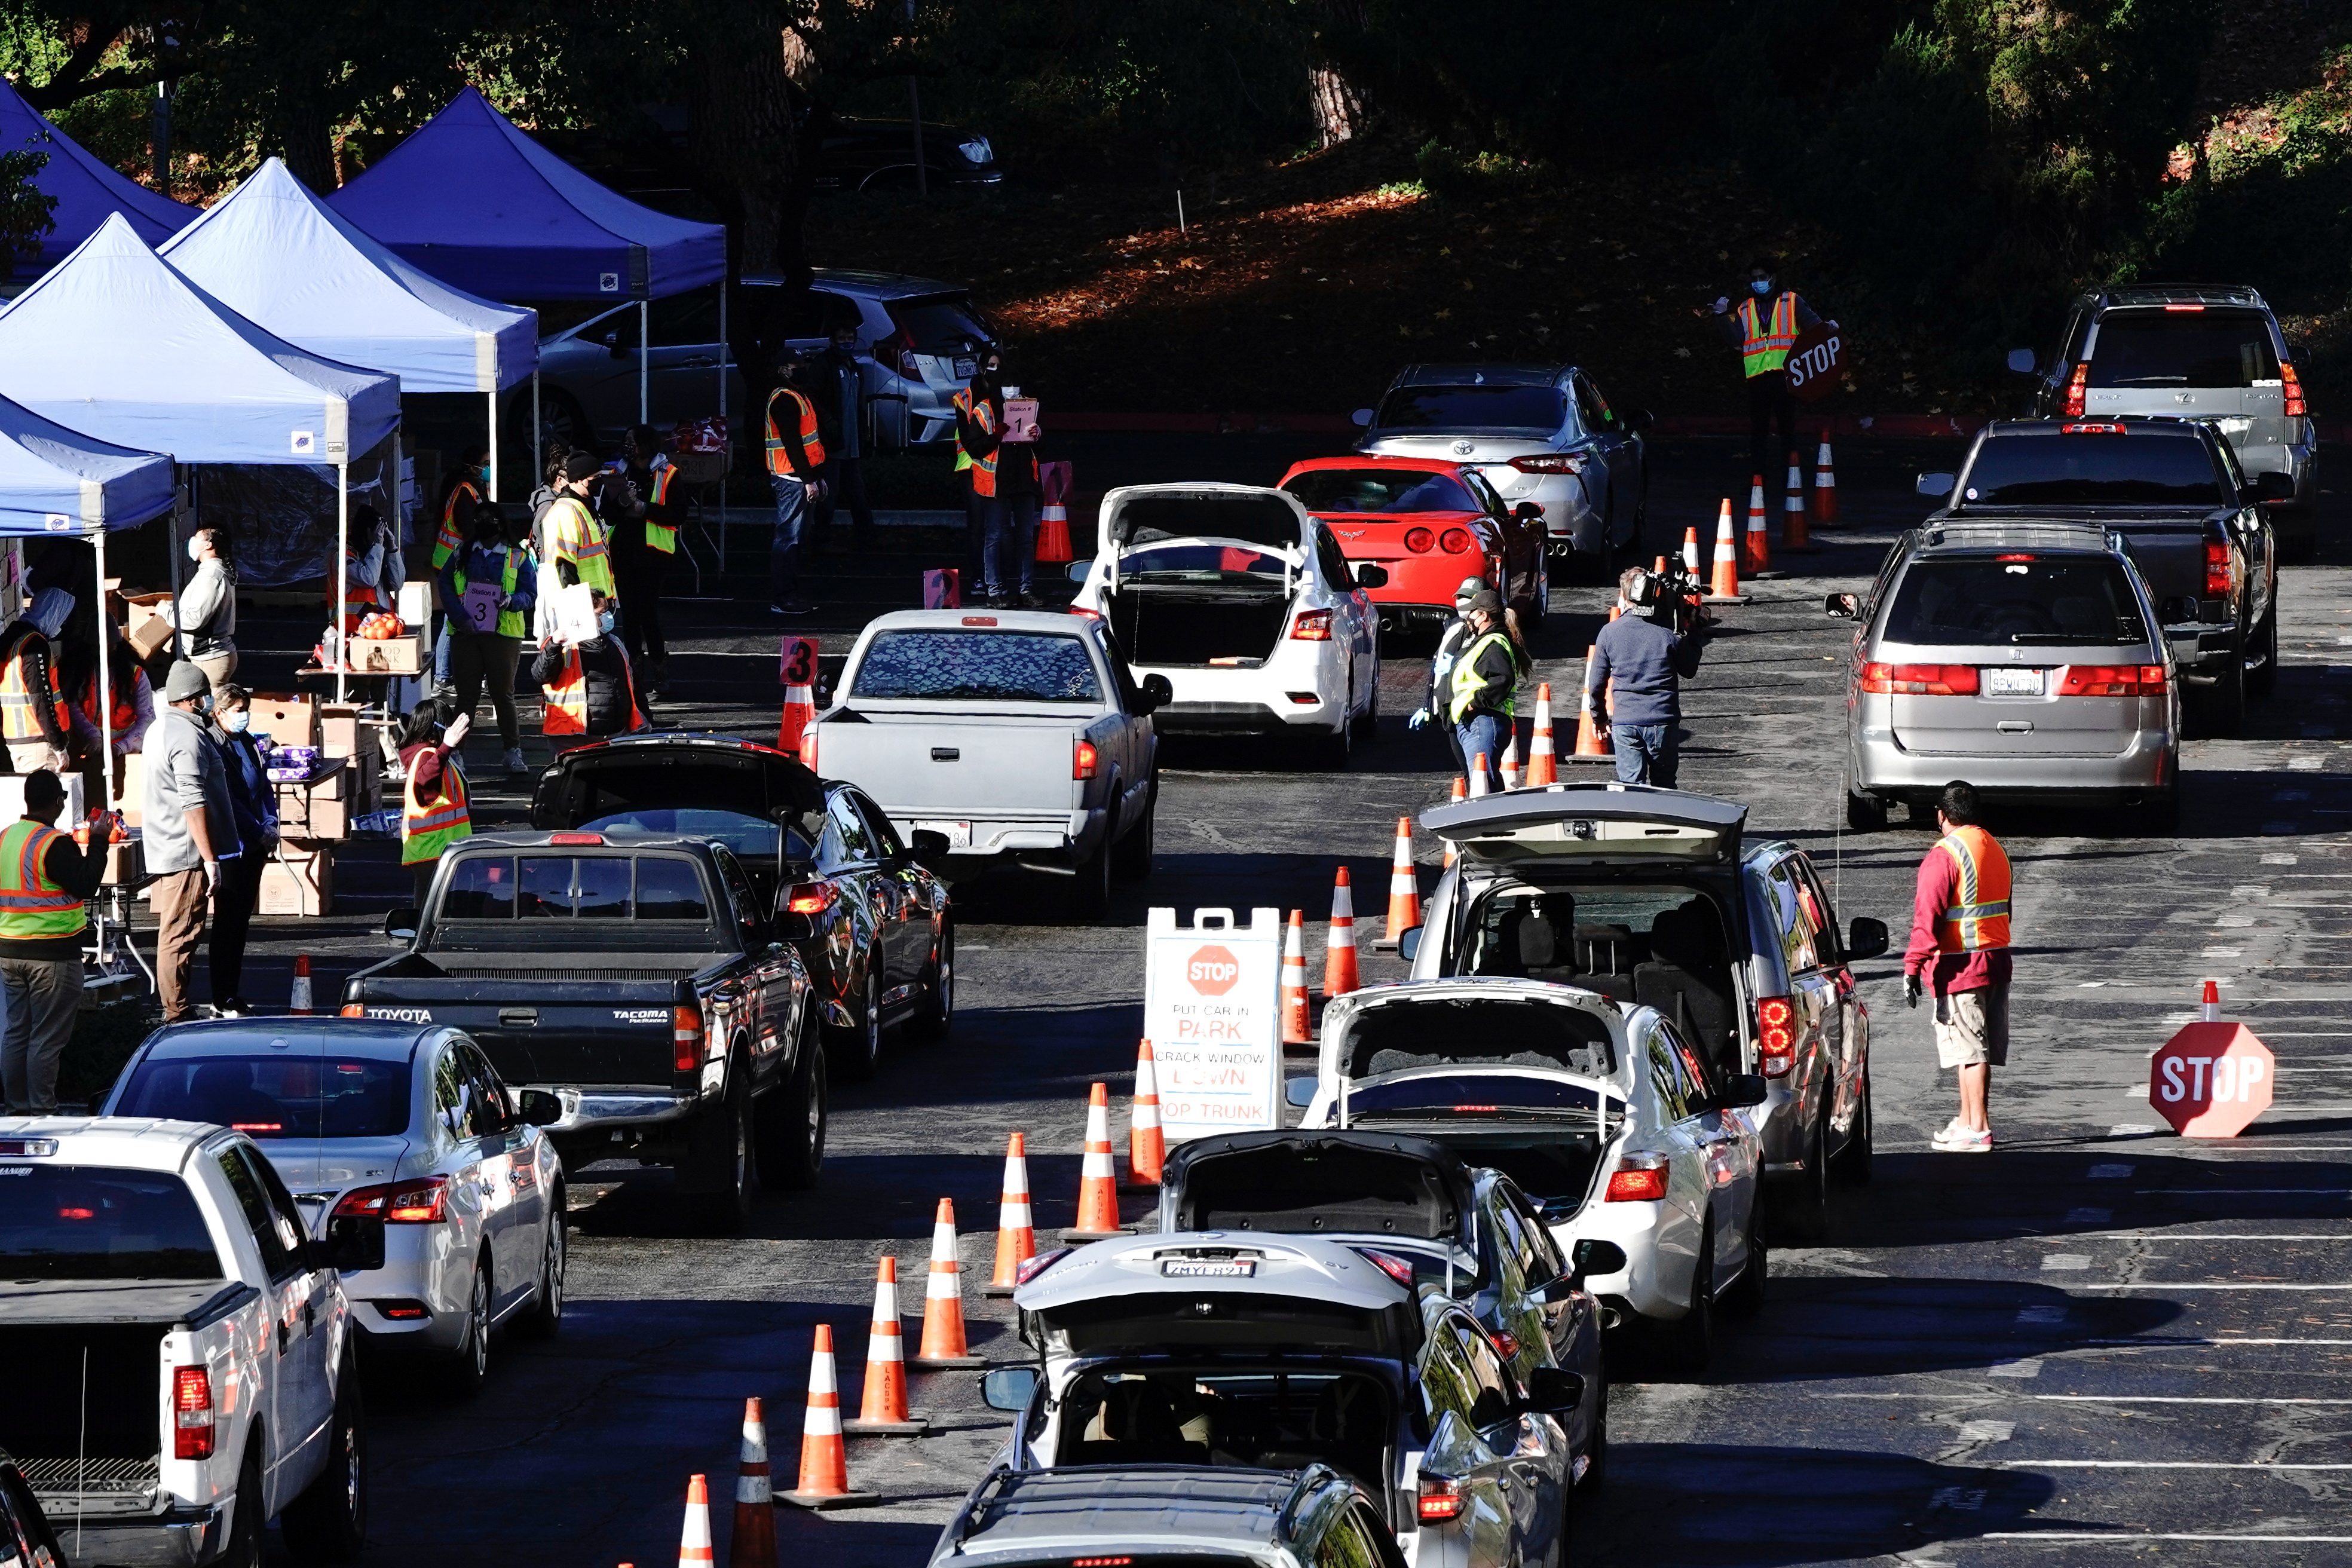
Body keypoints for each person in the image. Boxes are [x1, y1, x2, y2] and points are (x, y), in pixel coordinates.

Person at [1903, 781, 2013, 1153]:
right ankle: (1966, 1122)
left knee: (1969, 1050)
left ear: (1941, 816)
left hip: (1960, 966)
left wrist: (1912, 967)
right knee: (1974, 1048)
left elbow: (1927, 918)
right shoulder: (1994, 848)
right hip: (1995, 960)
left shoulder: (1945, 854)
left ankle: (1978, 1128)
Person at [0, 769, 113, 1113]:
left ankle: (17, 1107)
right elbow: (86, 884)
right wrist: (98, 840)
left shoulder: (6, 837)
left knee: (17, 1032)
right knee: (46, 1039)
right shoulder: (54, 843)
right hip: (52, 955)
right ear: (56, 801)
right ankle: (42, 1110)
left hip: (9, 951)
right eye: (63, 799)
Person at [143, 660, 235, 1024]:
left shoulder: (162, 728)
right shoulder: (186, 736)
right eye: (205, 696)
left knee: (177, 931)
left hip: (169, 844)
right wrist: (210, 859)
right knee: (181, 934)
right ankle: (175, 1014)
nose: (210, 702)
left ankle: (175, 1009)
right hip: (185, 850)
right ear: (194, 699)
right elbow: (192, 799)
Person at [1709, 262, 1832, 485]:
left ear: (1773, 277)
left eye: (1762, 276)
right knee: (1758, 433)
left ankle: (1791, 477)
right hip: (1757, 378)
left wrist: (1828, 329)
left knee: (1788, 430)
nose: (1758, 282)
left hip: (1786, 376)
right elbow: (1737, 340)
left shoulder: (1791, 301)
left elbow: (1813, 324)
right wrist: (1721, 316)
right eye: (1754, 278)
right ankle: (1758, 479)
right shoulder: (1745, 308)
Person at [1589, 565, 1709, 788]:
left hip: (1625, 721)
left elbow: (1596, 682)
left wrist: (1599, 717)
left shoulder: (1609, 632)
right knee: (1664, 787)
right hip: (1662, 720)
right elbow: (1689, 669)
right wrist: (1694, 629)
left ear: (1625, 596)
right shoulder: (1669, 632)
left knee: (1631, 787)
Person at [441, 501, 537, 778]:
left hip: (502, 636)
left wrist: (510, 601)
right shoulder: (462, 552)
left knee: (503, 695)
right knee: (466, 696)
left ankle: (512, 752)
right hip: (466, 634)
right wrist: (460, 617)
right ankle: (457, 752)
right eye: (479, 518)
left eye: (490, 518)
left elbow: (530, 594)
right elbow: (446, 585)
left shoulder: (516, 556)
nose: (485, 522)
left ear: (500, 523)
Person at [208, 685, 276, 1018]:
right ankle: (222, 997)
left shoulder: (248, 741)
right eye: (237, 709)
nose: (243, 715)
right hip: (232, 845)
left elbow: (263, 785)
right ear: (219, 712)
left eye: (245, 708)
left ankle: (231, 994)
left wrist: (271, 819)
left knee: (241, 922)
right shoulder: (214, 746)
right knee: (227, 924)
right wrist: (257, 828)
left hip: (254, 846)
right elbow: (227, 801)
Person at [608, 425, 676, 696]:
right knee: (631, 616)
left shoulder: (667, 474)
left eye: (633, 442)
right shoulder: (617, 473)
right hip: (623, 552)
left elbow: (676, 514)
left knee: (648, 614)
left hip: (653, 555)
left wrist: (644, 509)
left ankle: (660, 667)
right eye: (625, 441)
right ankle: (635, 671)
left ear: (647, 445)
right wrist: (621, 504)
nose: (628, 447)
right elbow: (608, 514)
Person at [534, 590, 645, 750]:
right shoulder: (562, 647)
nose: (608, 616)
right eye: (602, 612)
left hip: (617, 735)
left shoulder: (615, 643)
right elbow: (541, 675)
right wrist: (553, 646)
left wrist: (646, 718)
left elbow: (635, 685)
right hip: (573, 739)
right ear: (584, 614)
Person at [63, 617, 154, 803]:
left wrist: (122, 747)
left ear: (117, 645)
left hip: (122, 753)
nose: (102, 653)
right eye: (96, 648)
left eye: (108, 647)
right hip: (86, 750)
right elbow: (72, 706)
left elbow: (147, 718)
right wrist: (92, 736)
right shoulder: (80, 670)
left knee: (119, 799)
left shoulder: (136, 675)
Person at [765, 350, 827, 617]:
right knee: (788, 539)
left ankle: (789, 594)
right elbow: (793, 445)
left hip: (797, 477)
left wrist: (814, 477)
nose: (802, 368)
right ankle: (784, 598)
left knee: (793, 539)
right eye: (797, 365)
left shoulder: (796, 395)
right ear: (783, 370)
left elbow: (805, 443)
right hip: (790, 479)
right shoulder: (784, 399)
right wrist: (809, 479)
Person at [1447, 590, 1523, 793]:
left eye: (1472, 613)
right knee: (1484, 783)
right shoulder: (1485, 641)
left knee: (1483, 786)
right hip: (1477, 722)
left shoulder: (1493, 643)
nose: (1469, 618)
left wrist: (1474, 703)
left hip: (1483, 721)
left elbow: (1502, 679)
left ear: (1484, 616)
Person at [398, 702, 473, 906]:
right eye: (447, 724)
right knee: (443, 909)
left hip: (429, 851)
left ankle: (417, 937)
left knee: (424, 907)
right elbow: (424, 779)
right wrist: (446, 747)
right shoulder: (429, 756)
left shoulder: (421, 754)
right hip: (437, 851)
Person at [1411, 577, 1488, 774]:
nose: (1462, 601)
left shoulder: (1488, 633)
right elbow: (1438, 671)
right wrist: (1428, 707)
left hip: (1474, 717)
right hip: (1452, 715)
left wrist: (1473, 705)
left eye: (1468, 597)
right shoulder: (1455, 627)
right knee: (1470, 771)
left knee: (1480, 774)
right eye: (1460, 596)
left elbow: (1494, 675)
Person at [811, 317, 876, 552]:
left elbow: (858, 405)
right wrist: (828, 421)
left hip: (851, 442)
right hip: (832, 443)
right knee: (830, 494)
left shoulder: (854, 367)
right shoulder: (823, 365)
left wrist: (864, 432)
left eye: (850, 339)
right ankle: (821, 539)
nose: (847, 343)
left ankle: (867, 538)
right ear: (832, 341)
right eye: (842, 339)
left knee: (857, 493)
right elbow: (812, 397)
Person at [431, 445, 491, 695]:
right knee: (453, 619)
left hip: (454, 562)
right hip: (455, 564)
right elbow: (470, 530)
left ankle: (449, 676)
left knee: (458, 618)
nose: (489, 468)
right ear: (473, 466)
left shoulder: (470, 487)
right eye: (486, 463)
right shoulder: (466, 491)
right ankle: (443, 678)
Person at [0, 587, 75, 776]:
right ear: (52, 613)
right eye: (61, 617)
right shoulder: (34, 644)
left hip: (16, 738)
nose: (60, 625)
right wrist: (58, 745)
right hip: (38, 742)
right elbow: (40, 697)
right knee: (47, 801)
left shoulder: (10, 640)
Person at [162, 528, 238, 695]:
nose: (192, 540)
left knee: (210, 710)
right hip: (211, 656)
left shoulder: (211, 576)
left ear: (208, 545)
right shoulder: (210, 572)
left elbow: (196, 619)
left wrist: (166, 611)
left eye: (197, 537)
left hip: (209, 658)